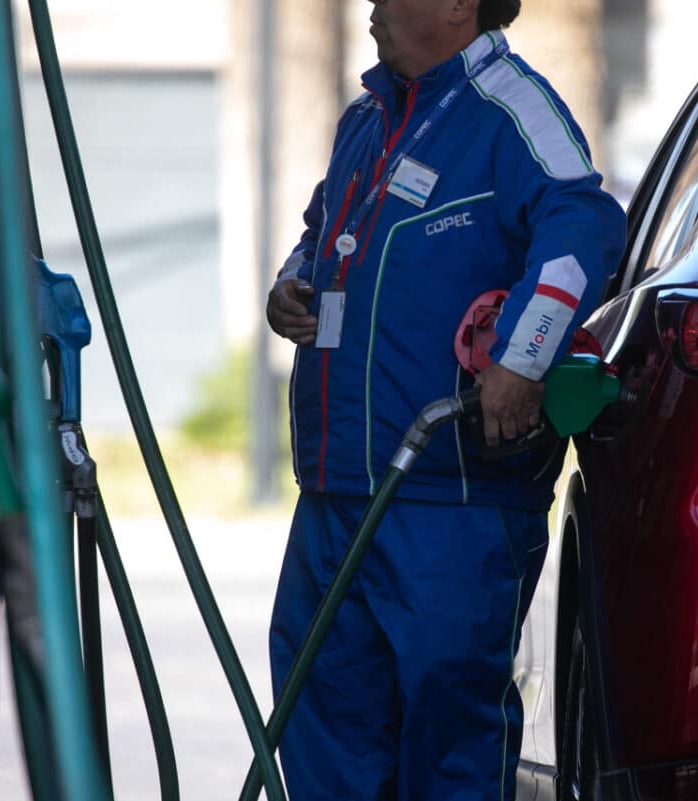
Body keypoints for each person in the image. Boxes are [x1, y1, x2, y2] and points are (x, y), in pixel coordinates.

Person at [264, 0, 626, 798]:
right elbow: (325, 226)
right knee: (322, 719)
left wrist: (524, 357)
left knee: (448, 732)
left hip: (450, 497)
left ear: (459, 5)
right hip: (336, 492)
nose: (373, 8)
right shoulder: (367, 118)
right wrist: (294, 281)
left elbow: (585, 226)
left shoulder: (509, 108)